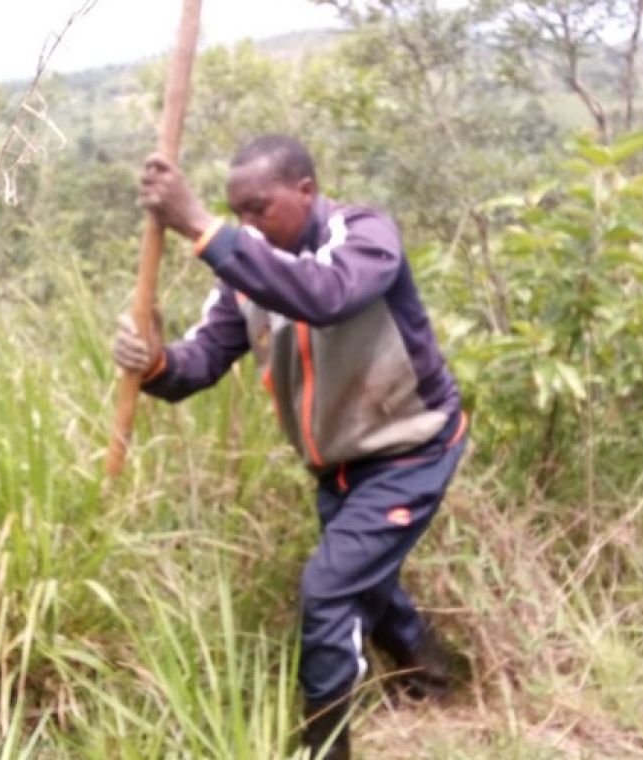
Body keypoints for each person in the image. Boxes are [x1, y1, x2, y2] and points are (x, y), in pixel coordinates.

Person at [113, 134, 467, 760]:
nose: (247, 225)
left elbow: (324, 297)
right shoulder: (245, 276)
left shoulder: (364, 237)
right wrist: (154, 361)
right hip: (337, 466)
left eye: (259, 208)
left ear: (306, 191)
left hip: (410, 450)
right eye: (236, 212)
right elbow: (197, 366)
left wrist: (198, 223)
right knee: (365, 582)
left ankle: (325, 748)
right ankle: (437, 678)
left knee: (328, 591)